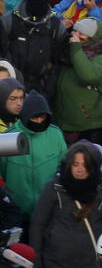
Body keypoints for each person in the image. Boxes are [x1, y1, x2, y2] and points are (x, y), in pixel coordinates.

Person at [30, 143, 102, 268]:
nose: (79, 169)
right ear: (68, 165)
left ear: (92, 167)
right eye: (75, 164)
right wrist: (36, 263)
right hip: (56, 265)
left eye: (85, 165)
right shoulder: (53, 187)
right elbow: (37, 225)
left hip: (91, 264)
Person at [0, 91, 67, 221]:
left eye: (42, 117)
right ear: (25, 116)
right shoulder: (7, 138)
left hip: (48, 208)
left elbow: (63, 167)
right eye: (34, 118)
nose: (39, 121)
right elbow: (2, 173)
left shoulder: (56, 135)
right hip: (16, 210)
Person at [54, 17, 102, 144]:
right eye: (75, 31)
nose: (75, 36)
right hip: (66, 123)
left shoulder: (99, 59)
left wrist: (76, 48)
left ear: (92, 38)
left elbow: (88, 76)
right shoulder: (68, 55)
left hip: (90, 126)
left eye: (81, 34)